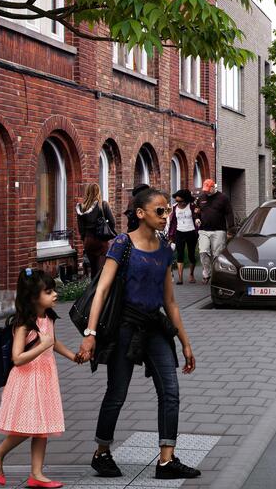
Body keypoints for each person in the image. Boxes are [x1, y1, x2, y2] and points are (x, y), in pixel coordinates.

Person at [77, 189, 200, 481]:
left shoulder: (165, 249)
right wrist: (90, 333)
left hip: (154, 328)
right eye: (159, 211)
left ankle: (166, 460)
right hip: (124, 327)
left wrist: (185, 342)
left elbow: (169, 302)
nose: (165, 216)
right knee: (117, 393)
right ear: (141, 213)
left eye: (167, 211)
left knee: (170, 392)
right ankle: (102, 452)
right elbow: (102, 290)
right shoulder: (122, 244)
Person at [0, 268, 79, 488]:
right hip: (26, 380)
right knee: (28, 426)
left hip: (45, 377)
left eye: (54, 290)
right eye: (48, 291)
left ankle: (36, 474)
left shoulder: (48, 317)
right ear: (34, 297)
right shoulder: (24, 323)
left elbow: (52, 342)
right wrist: (42, 345)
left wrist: (73, 356)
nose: (54, 294)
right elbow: (17, 358)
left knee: (41, 427)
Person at [193, 179, 235, 284]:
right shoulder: (201, 198)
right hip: (203, 229)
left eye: (208, 189)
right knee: (203, 251)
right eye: (205, 190)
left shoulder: (223, 198)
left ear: (213, 187)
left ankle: (217, 275)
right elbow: (197, 210)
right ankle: (206, 273)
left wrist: (230, 229)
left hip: (219, 230)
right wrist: (197, 218)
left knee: (217, 254)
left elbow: (229, 213)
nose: (206, 192)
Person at [76, 183, 116, 278]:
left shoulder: (81, 207)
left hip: (88, 240)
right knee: (102, 270)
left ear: (87, 192)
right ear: (98, 192)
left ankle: (92, 290)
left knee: (93, 269)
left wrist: (84, 239)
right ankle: (100, 291)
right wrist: (107, 231)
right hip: (101, 241)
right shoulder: (103, 205)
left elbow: (80, 228)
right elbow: (112, 222)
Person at [166, 189, 198, 285]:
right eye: (177, 201)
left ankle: (191, 275)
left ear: (186, 200)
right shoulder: (175, 207)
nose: (179, 203)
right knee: (180, 254)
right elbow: (172, 223)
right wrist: (171, 236)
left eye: (181, 201)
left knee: (191, 255)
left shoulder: (192, 206)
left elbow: (198, 216)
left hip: (191, 232)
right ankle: (180, 278)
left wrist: (198, 216)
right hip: (179, 233)